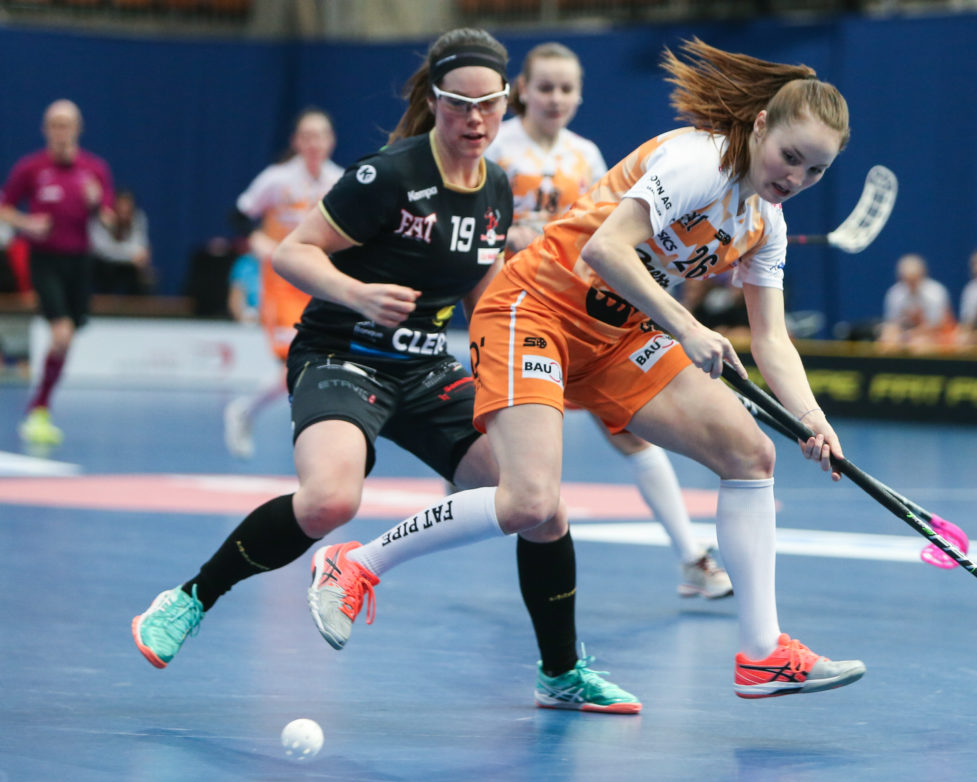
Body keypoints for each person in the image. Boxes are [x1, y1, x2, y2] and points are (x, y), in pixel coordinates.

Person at [309, 38, 868, 700]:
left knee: (750, 455)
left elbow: (773, 338)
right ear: (759, 127)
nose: (796, 178)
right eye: (790, 157)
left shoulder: (762, 222)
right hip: (534, 311)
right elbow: (606, 249)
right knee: (531, 502)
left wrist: (811, 418)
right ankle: (356, 563)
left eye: (816, 171)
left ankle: (762, 653)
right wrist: (687, 326)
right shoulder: (699, 162)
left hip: (619, 338)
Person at [132, 28, 641, 715]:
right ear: (435, 102)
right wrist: (357, 292)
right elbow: (292, 252)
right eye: (459, 105)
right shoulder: (387, 175)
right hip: (343, 353)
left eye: (488, 104)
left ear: (506, 101)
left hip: (427, 368)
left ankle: (560, 673)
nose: (474, 120)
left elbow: (484, 295)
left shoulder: (495, 187)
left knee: (540, 502)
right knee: (328, 502)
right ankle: (191, 597)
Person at [489, 41, 730, 599]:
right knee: (499, 462)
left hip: (586, 314)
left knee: (632, 437)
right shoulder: (498, 147)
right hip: (523, 307)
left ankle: (692, 560)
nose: (556, 98)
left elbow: (607, 227)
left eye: (567, 88)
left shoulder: (587, 155)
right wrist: (508, 232)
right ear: (522, 90)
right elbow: (474, 215)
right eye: (545, 87)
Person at [223, 109, 344, 459]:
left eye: (319, 136)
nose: (313, 143)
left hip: (319, 280)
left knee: (314, 361)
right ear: (296, 142)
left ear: (330, 141)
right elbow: (237, 215)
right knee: (294, 363)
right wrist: (257, 240)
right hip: (280, 282)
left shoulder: (338, 181)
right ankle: (255, 414)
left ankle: (251, 411)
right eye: (306, 136)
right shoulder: (277, 180)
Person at [0, 99, 115, 446]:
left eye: (67, 125)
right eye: (55, 125)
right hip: (45, 260)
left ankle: (41, 406)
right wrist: (27, 223)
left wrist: (96, 203)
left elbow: (110, 220)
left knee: (66, 340)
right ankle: (39, 409)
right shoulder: (31, 168)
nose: (61, 132)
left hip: (79, 263)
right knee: (61, 333)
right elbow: (5, 207)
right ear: (46, 130)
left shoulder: (94, 169)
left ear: (78, 129)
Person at [876, 253, 954, 352]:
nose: (911, 283)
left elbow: (937, 327)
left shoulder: (936, 292)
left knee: (918, 345)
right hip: (905, 335)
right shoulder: (895, 293)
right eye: (907, 279)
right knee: (886, 340)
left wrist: (909, 336)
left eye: (914, 278)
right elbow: (892, 324)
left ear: (922, 275)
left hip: (935, 336)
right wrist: (894, 337)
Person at [89, 187, 153, 295]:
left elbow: (141, 248)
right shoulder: (102, 218)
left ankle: (137, 308)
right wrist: (129, 255)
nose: (124, 210)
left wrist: (136, 256)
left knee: (143, 272)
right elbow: (101, 250)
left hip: (128, 267)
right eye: (121, 206)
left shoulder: (139, 218)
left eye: (127, 207)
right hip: (105, 266)